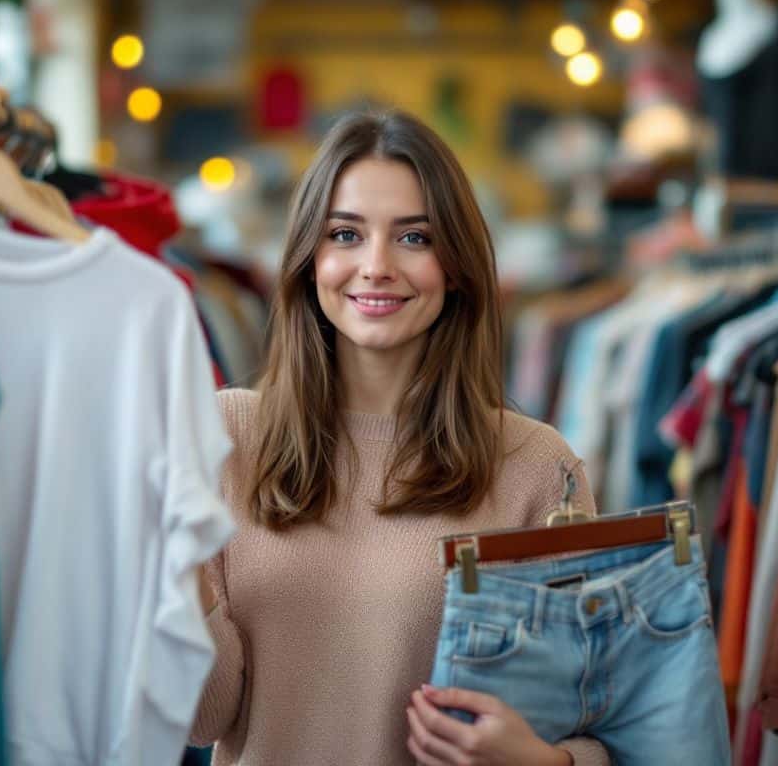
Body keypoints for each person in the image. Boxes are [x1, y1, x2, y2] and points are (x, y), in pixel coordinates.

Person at [189, 110, 608, 766]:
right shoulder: (224, 435)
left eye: (414, 238)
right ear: (308, 257)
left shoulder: (535, 466)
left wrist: (542, 762)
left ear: (458, 266)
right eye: (346, 234)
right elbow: (200, 717)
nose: (376, 265)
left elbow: (602, 722)